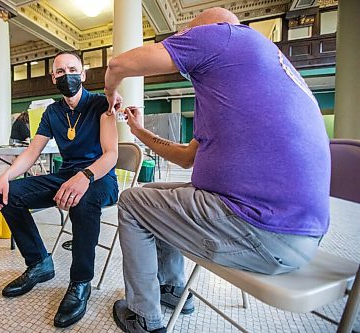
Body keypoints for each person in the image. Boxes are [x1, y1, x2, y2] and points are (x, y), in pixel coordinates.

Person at [104, 7, 330, 333]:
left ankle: (143, 317)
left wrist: (111, 94)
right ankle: (171, 288)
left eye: (185, 38)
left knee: (130, 202)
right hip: (297, 233)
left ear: (205, 34)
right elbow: (185, 158)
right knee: (150, 196)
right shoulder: (253, 76)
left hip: (263, 229)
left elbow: (117, 64)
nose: (182, 48)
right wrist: (137, 131)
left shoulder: (222, 37)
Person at [0, 51, 118, 328]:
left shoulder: (101, 105)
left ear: (83, 75)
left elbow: (111, 155)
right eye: (60, 71)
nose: (67, 75)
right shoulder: (52, 112)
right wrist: (5, 177)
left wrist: (86, 175)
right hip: (66, 174)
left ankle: (80, 282)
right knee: (11, 195)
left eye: (73, 69)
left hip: (101, 177)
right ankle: (40, 264)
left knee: (83, 202)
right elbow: (32, 151)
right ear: (53, 77)